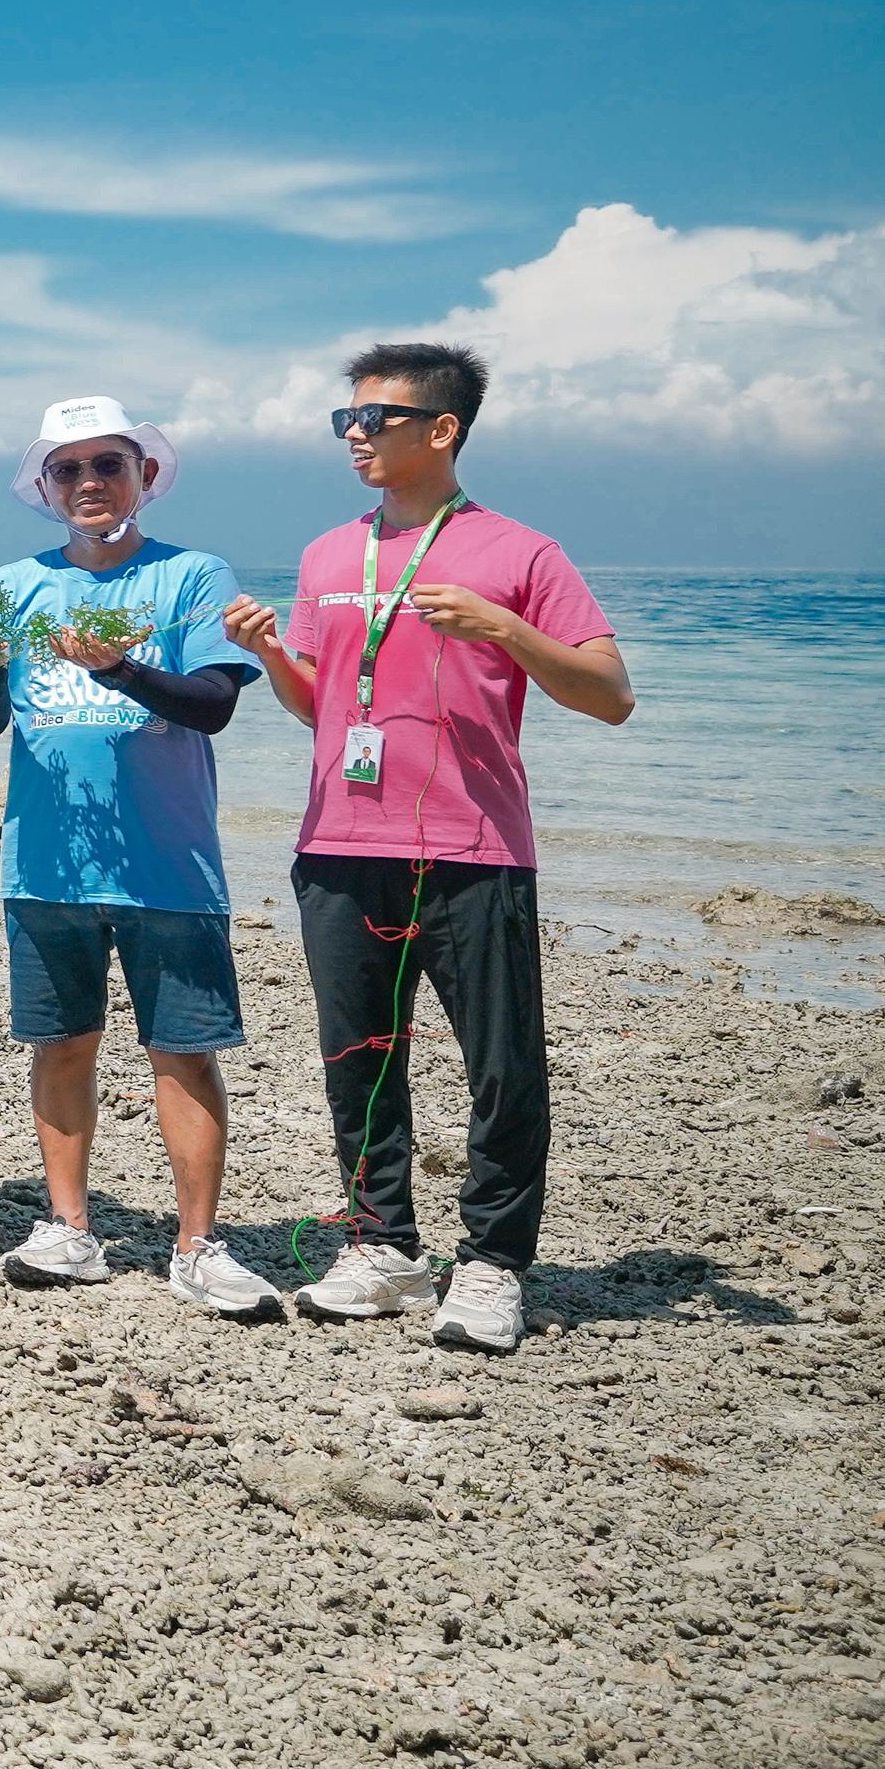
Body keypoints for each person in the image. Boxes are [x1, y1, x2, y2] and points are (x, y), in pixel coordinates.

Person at [224, 343, 632, 1356]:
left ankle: (491, 1261)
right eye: (343, 418)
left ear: (439, 429)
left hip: (472, 846)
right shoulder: (328, 553)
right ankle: (383, 1246)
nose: (352, 433)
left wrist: (501, 627)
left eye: (374, 417)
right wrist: (271, 652)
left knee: (500, 1068)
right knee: (358, 1057)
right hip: (337, 841)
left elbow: (607, 694)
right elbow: (324, 703)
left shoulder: (519, 553)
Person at [0, 400, 280, 1319]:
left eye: (109, 465)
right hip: (44, 867)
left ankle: (198, 1245)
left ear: (146, 477)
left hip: (170, 866)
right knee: (61, 1045)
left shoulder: (191, 577)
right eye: (68, 470)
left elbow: (213, 703)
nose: (89, 483)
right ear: (46, 489)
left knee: (184, 1053)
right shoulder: (14, 584)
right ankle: (69, 1229)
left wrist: (120, 670)